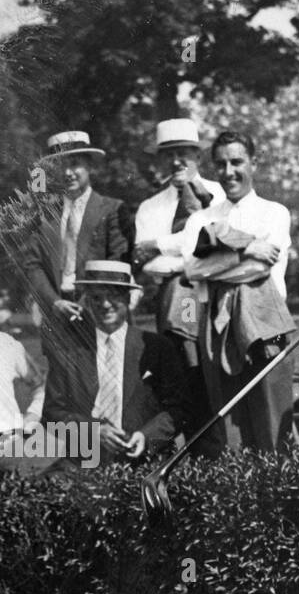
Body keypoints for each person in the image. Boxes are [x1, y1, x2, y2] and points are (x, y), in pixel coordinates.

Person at [181, 129, 294, 453]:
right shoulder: (201, 219)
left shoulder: (274, 212)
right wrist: (246, 249)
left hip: (265, 323)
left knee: (273, 429)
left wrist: (223, 259)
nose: (228, 172)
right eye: (221, 164)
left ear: (253, 163)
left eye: (237, 162)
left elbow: (263, 268)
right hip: (218, 326)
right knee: (229, 429)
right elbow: (192, 270)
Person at [132, 119, 224, 452]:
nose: (177, 162)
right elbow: (148, 262)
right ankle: (192, 455)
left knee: (216, 378)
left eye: (184, 153)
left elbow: (216, 247)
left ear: (197, 156)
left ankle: (223, 453)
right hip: (173, 303)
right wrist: (187, 249)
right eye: (169, 154)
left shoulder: (218, 194)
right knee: (182, 378)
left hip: (215, 299)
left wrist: (161, 244)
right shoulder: (150, 208)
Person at [41, 260, 189, 466]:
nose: (105, 304)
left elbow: (178, 409)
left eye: (114, 296)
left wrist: (147, 437)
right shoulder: (69, 350)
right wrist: (93, 432)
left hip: (145, 460)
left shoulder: (156, 348)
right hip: (85, 461)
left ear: (128, 299)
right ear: (87, 301)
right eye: (96, 297)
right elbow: (51, 415)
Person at [24, 130, 130, 383]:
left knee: (107, 381)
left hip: (98, 307)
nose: (68, 172)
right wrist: (53, 302)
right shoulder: (43, 216)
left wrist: (89, 300)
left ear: (89, 166)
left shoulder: (111, 209)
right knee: (64, 386)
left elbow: (118, 259)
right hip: (57, 308)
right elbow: (33, 265)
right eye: (61, 166)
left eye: (75, 164)